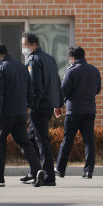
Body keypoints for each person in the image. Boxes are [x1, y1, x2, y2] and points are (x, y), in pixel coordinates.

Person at [0, 42, 46, 188]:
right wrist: (28, 105)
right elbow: (30, 90)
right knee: (25, 142)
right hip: (20, 112)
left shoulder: (0, 69)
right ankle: (37, 170)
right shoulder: (22, 67)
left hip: (5, 113)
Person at [20, 33, 64, 186]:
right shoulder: (49, 58)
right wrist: (59, 103)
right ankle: (35, 171)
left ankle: (48, 176)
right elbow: (57, 82)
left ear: (32, 44)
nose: (23, 48)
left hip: (39, 106)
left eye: (24, 44)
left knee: (41, 140)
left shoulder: (35, 60)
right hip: (48, 104)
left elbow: (35, 87)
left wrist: (31, 105)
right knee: (31, 138)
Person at [55, 46, 101, 179]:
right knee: (89, 141)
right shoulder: (94, 70)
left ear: (72, 57)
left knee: (67, 140)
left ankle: (60, 169)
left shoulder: (71, 71)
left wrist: (58, 105)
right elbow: (98, 90)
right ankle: (88, 171)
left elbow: (63, 91)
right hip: (90, 110)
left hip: (74, 111)